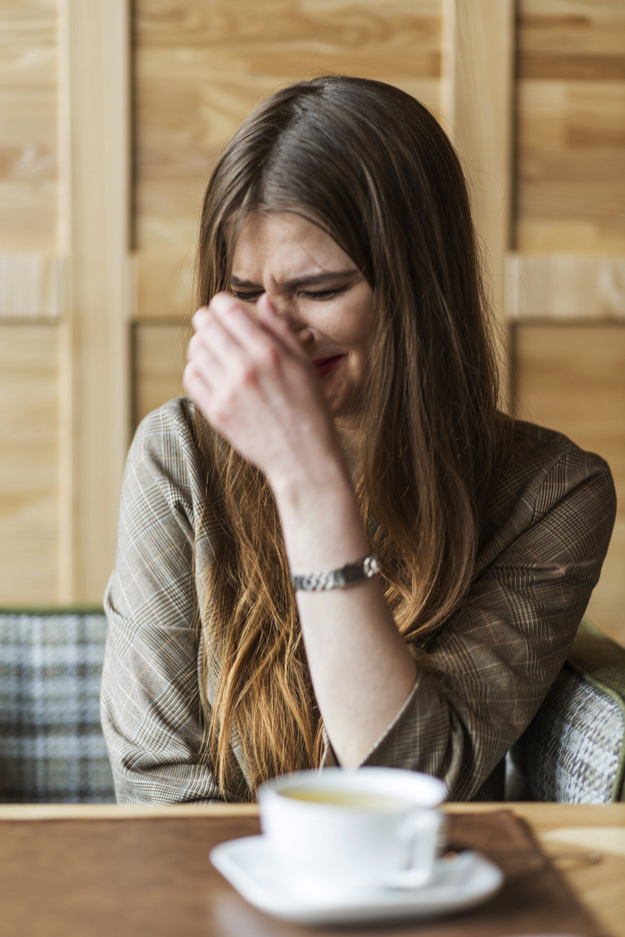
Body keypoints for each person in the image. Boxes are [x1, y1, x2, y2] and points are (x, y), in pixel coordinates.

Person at [101, 76, 616, 805]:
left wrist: (307, 481)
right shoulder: (176, 455)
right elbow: (156, 792)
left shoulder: (550, 492)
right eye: (245, 294)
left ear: (415, 289)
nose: (273, 329)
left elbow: (411, 783)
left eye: (317, 289)